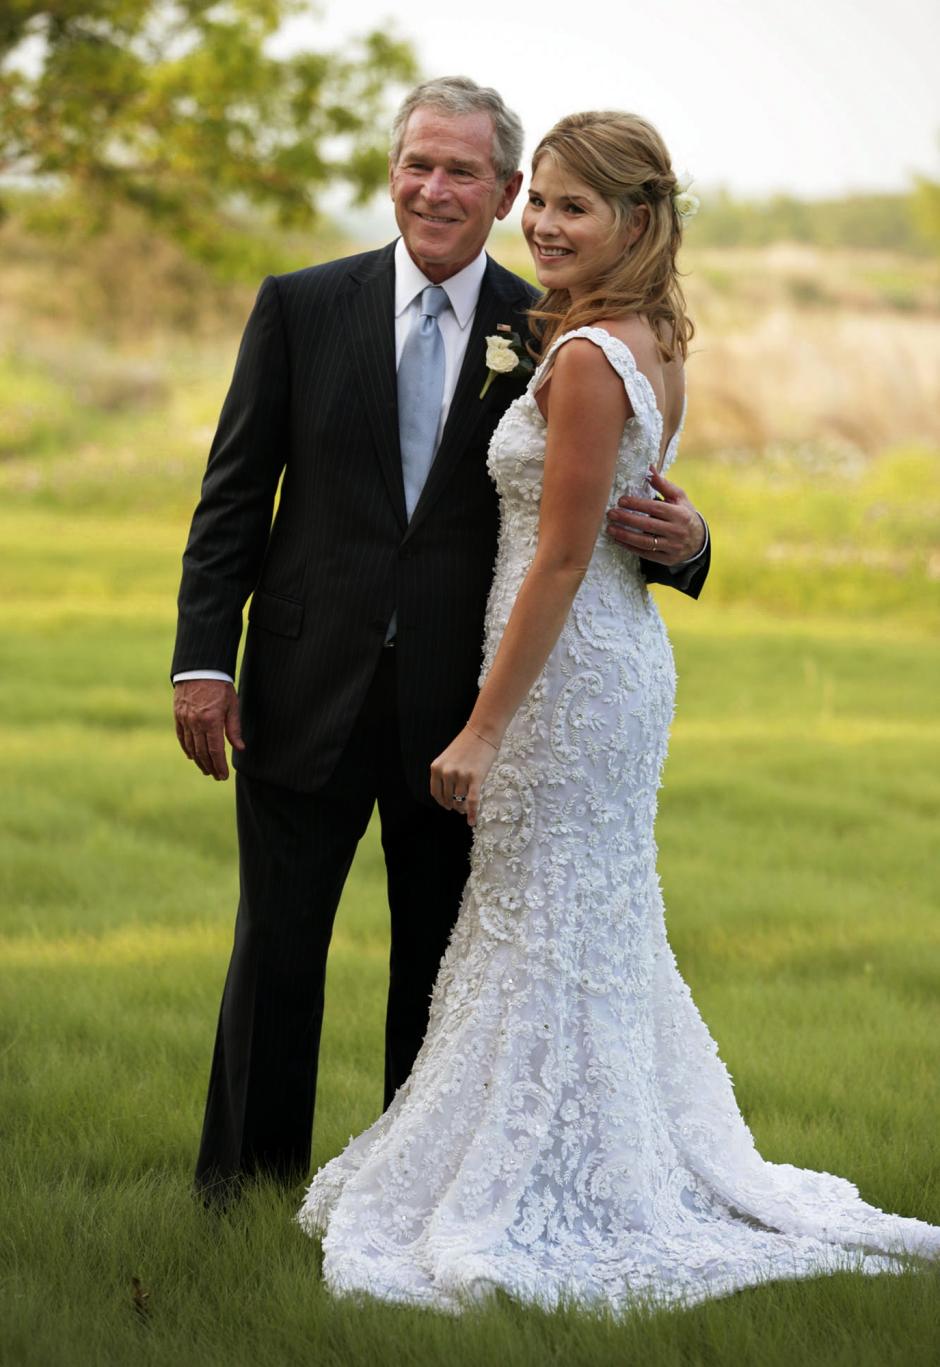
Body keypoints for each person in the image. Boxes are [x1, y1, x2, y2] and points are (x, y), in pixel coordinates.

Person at [296, 110, 940, 1310]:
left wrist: (483, 725)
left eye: (570, 206)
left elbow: (556, 556)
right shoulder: (645, 335)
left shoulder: (589, 358)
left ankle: (556, 1177)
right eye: (535, 199)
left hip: (567, 674)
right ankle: (583, 1150)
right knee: (565, 924)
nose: (540, 223)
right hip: (600, 659)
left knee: (544, 922)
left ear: (635, 219)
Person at [171, 78, 709, 1200]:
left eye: (464, 170)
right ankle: (243, 1191)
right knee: (275, 950)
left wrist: (693, 540)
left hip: (465, 700)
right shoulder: (300, 306)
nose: (435, 187)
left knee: (439, 964)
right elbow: (232, 498)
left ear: (504, 189)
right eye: (419, 162)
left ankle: (405, 1190)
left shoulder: (556, 319)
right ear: (391, 170)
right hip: (304, 679)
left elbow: (603, 507)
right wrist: (205, 660)